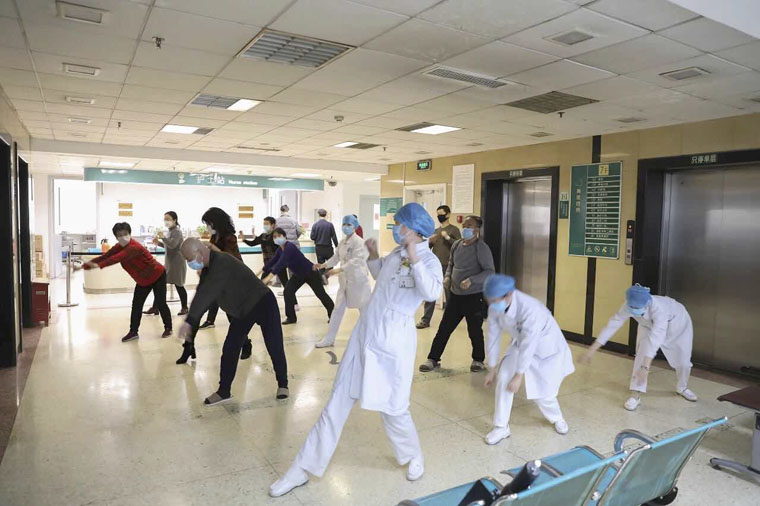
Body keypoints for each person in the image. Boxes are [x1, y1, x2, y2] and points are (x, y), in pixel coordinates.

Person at [269, 202, 443, 497]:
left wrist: (415, 260)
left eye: (400, 224)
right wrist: (374, 257)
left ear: (414, 230)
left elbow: (431, 292)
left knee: (394, 408)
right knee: (337, 401)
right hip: (365, 333)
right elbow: (382, 277)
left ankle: (413, 456)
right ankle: (302, 468)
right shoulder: (397, 253)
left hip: (393, 340)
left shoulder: (428, 261)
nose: (396, 229)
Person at [177, 239, 289, 405]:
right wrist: (190, 321)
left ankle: (283, 384)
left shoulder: (222, 262)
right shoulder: (208, 269)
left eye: (188, 258)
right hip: (243, 310)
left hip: (263, 302)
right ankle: (224, 391)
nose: (189, 263)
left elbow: (207, 293)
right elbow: (201, 293)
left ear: (199, 253)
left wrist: (189, 321)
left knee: (274, 345)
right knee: (230, 348)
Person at [482, 274, 574, 445]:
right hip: (520, 343)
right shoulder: (495, 307)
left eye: (494, 300)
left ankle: (557, 418)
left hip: (545, 347)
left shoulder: (530, 308)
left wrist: (519, 375)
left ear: (508, 295)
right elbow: (493, 336)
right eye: (489, 300)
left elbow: (530, 343)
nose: (492, 304)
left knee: (543, 392)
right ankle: (501, 427)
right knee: (504, 377)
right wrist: (492, 368)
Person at [580, 284, 698, 411]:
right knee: (641, 355)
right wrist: (591, 350)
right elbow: (612, 325)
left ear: (647, 304)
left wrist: (645, 368)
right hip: (647, 325)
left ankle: (682, 387)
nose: (633, 310)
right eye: (631, 307)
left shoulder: (659, 309)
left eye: (636, 308)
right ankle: (635, 395)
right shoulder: (628, 305)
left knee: (683, 361)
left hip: (677, 324)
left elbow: (656, 338)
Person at [419, 215, 494, 373]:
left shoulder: (481, 248)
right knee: (444, 328)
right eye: (464, 225)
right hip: (455, 295)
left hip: (473, 296)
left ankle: (478, 360)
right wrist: (447, 277)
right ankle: (433, 359)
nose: (465, 228)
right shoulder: (457, 245)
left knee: (474, 331)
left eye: (469, 226)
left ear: (477, 229)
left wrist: (472, 280)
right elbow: (451, 264)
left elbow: (489, 271)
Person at [82, 222, 172, 342]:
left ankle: (168, 328)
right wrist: (85, 265)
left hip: (157, 275)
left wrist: (95, 266)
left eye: (125, 234)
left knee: (161, 303)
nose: (123, 237)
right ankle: (133, 332)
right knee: (137, 305)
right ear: (116, 237)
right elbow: (106, 256)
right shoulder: (118, 247)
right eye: (120, 235)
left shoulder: (133, 247)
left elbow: (115, 258)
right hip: (143, 280)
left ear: (130, 233)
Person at [191, 207, 253, 360]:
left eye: (208, 223)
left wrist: (211, 247)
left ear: (216, 222)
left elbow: (229, 258)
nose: (207, 227)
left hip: (233, 278)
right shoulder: (215, 236)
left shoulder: (229, 237)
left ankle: (245, 344)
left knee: (233, 316)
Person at [314, 215, 371, 348]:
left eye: (348, 225)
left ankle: (371, 337)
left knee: (365, 311)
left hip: (358, 281)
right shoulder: (343, 242)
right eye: (344, 224)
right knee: (337, 310)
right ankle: (329, 339)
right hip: (345, 282)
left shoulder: (359, 242)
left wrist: (339, 269)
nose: (345, 227)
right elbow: (336, 257)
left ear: (355, 226)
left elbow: (357, 261)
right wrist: (324, 265)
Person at [262, 228, 334, 325]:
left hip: (310, 272)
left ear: (285, 237)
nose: (277, 238)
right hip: (298, 275)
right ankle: (291, 317)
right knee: (288, 291)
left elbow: (280, 263)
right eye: (275, 237)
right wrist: (264, 269)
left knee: (320, 294)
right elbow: (273, 261)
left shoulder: (289, 247)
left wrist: (268, 277)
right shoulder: (280, 250)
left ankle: (333, 314)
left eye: (279, 236)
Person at [417, 205, 461, 329]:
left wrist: (447, 238)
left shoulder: (454, 230)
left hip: (448, 265)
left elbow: (459, 246)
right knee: (430, 292)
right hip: (435, 266)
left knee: (449, 294)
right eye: (437, 214)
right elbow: (427, 248)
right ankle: (425, 320)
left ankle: (450, 320)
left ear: (448, 214)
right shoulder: (435, 231)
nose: (439, 216)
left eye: (441, 214)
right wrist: (429, 242)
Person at [144, 211, 188, 316]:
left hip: (177, 263)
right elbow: (168, 246)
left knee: (179, 285)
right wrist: (158, 243)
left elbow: (172, 245)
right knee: (160, 285)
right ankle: (155, 307)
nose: (166, 221)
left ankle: (185, 307)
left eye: (168, 219)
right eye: (165, 219)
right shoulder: (169, 231)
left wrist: (163, 237)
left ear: (175, 220)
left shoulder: (177, 232)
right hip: (170, 262)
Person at [310, 209, 338, 285]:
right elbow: (334, 237)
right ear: (326, 215)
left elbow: (312, 237)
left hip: (319, 248)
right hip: (328, 248)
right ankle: (325, 276)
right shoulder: (330, 225)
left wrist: (318, 237)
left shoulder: (315, 225)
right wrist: (337, 246)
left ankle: (323, 279)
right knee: (331, 264)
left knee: (321, 264)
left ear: (318, 215)